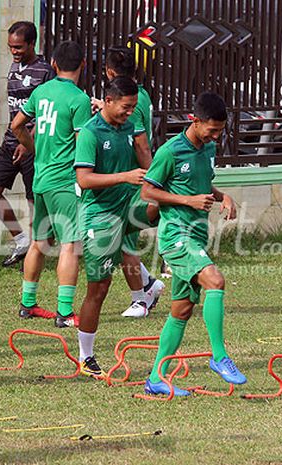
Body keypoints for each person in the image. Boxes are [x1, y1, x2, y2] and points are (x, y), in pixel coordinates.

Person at [141, 92, 247, 396]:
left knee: (182, 309)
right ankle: (219, 356)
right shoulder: (170, 152)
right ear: (194, 121)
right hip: (175, 236)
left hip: (197, 235)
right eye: (211, 130)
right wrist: (186, 200)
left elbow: (202, 184)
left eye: (220, 130)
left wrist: (221, 195)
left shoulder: (208, 148)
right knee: (216, 280)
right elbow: (148, 192)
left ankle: (155, 379)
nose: (216, 135)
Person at [74, 77, 159, 376]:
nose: (130, 113)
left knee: (164, 207)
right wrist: (125, 176)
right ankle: (86, 357)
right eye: (126, 107)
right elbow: (84, 180)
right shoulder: (90, 132)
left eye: (134, 107)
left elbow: (145, 158)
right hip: (101, 215)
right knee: (99, 286)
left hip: (128, 207)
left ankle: (158, 282)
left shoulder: (128, 125)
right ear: (108, 101)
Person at [11, 40, 92, 327]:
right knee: (70, 245)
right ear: (82, 65)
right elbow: (83, 146)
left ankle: (28, 304)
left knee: (39, 241)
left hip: (41, 178)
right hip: (65, 181)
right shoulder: (80, 100)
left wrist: (34, 149)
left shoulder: (41, 91)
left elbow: (16, 125)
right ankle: (65, 312)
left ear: (54, 64)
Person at [93, 45, 164, 318]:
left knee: (123, 241)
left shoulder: (128, 105)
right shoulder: (142, 94)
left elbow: (142, 144)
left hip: (130, 177)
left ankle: (141, 298)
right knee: (123, 239)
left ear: (109, 71)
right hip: (130, 176)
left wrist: (152, 180)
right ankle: (147, 284)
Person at [0, 21, 54, 267]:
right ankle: (22, 240)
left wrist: (28, 140)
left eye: (19, 47)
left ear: (32, 43)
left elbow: (44, 112)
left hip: (32, 145)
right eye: (11, 47)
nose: (14, 51)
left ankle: (36, 255)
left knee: (33, 200)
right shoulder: (15, 66)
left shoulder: (45, 71)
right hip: (10, 142)